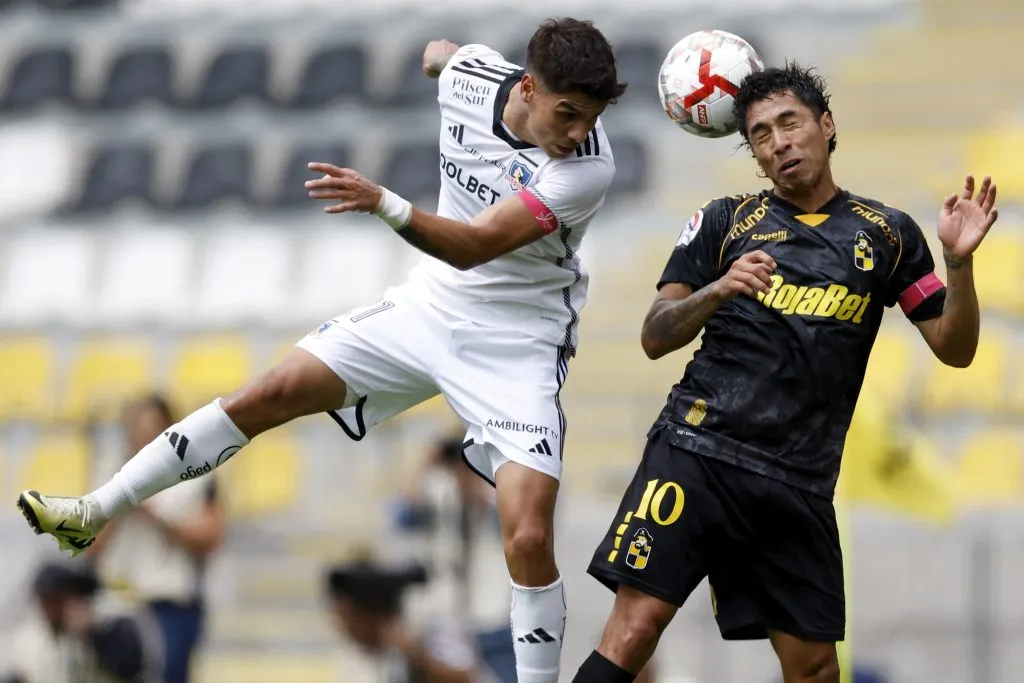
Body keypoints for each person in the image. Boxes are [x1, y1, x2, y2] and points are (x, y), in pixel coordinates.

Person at [17, 17, 626, 683]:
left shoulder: (588, 169)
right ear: (528, 87)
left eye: (588, 118)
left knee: (529, 534)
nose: (576, 133)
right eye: (567, 114)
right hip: (432, 306)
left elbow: (475, 243)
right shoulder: (474, 77)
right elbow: (443, 56)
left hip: (519, 343)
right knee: (267, 392)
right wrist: (439, 60)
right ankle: (93, 511)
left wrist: (385, 203)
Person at [571, 63, 997, 683]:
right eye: (761, 134)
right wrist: (716, 290)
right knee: (633, 631)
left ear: (825, 125)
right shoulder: (723, 221)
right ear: (754, 153)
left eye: (790, 122)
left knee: (816, 668)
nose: (779, 142)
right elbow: (654, 334)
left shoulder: (888, 236)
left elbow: (954, 350)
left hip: (798, 479)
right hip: (699, 452)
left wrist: (959, 265)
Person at [87, 394, 225, 683]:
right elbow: (89, 547)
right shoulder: (109, 474)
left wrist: (156, 512)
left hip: (171, 603)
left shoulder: (196, 473)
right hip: (115, 601)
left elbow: (211, 536)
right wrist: (119, 505)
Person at [388, 435, 515, 683]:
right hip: (445, 617)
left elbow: (517, 530)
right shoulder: (439, 491)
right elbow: (402, 518)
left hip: (492, 616)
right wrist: (423, 463)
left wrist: (476, 488)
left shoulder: (498, 490)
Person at [3, 562, 162, 683]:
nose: (48, 612)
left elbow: (129, 668)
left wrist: (93, 633)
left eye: (54, 602)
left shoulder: (112, 616)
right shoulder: (41, 635)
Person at [325, 560, 480, 683]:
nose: (346, 630)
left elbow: (467, 678)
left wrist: (414, 654)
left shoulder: (425, 625)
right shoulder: (369, 656)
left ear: (368, 614)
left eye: (348, 620)